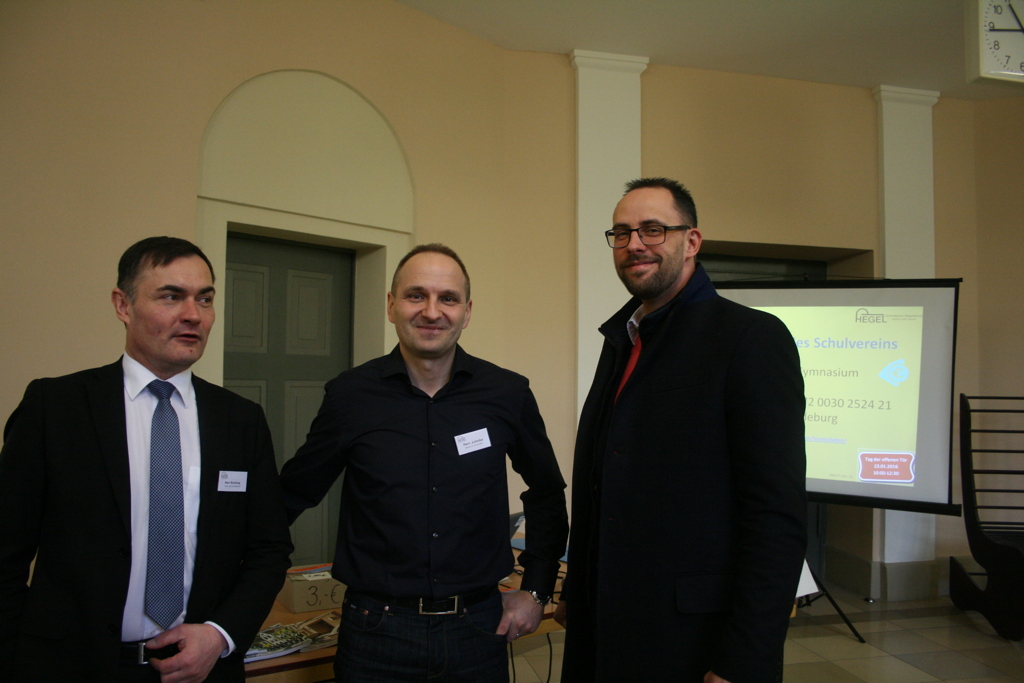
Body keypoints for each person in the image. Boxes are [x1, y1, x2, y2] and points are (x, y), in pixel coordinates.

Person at [0, 237, 293, 683]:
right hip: (72, 667)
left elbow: (269, 550)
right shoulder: (55, 407)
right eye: (171, 296)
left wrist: (221, 634)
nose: (193, 315)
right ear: (123, 305)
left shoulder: (240, 420)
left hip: (200, 670)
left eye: (205, 299)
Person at [278, 243, 569, 683]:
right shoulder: (350, 396)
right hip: (375, 632)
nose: (432, 312)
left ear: (466, 312)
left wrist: (536, 589)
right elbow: (292, 493)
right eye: (416, 295)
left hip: (478, 628)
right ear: (391, 305)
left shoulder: (506, 393)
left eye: (447, 298)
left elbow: (546, 490)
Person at [557, 178, 807, 683]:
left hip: (692, 637)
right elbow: (601, 483)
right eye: (622, 233)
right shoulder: (622, 339)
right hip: (606, 621)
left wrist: (745, 658)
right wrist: (577, 591)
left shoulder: (751, 339)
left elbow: (775, 515)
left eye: (653, 229)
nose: (634, 244)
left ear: (691, 241)